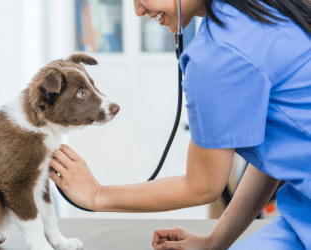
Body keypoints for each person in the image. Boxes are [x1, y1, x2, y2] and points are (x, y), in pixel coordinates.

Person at [50, 0, 311, 249]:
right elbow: (275, 154)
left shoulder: (219, 51)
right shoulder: (258, 12)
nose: (138, 10)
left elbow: (202, 185)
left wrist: (97, 195)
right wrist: (215, 242)